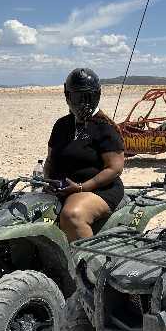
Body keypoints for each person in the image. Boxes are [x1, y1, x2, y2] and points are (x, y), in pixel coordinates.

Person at [44, 68, 125, 241]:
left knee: (72, 215)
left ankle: (85, 258)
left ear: (97, 95)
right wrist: (47, 181)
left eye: (88, 97)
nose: (83, 103)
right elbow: (50, 159)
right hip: (62, 188)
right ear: (68, 96)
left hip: (100, 189)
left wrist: (81, 187)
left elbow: (115, 168)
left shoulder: (104, 128)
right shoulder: (61, 125)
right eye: (78, 97)